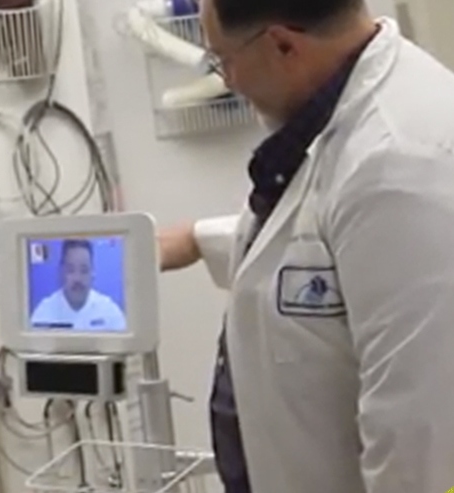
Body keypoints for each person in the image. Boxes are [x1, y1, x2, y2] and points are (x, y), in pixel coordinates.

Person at [159, 0, 454, 491]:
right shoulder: (342, 128)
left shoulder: (404, 165)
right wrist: (195, 239)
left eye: (222, 61)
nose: (228, 80)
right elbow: (333, 236)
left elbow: (421, 439)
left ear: (282, 44)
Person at [30, 239, 126, 330]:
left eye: (84, 270)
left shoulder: (110, 312)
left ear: (93, 273)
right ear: (61, 272)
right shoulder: (43, 312)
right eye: (71, 270)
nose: (77, 278)